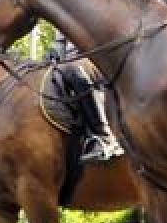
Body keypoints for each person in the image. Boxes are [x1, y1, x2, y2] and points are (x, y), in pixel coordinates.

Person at [47, 33, 124, 162]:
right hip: (68, 61)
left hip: (100, 57)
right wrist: (54, 50)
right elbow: (60, 40)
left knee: (74, 69)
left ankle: (105, 138)